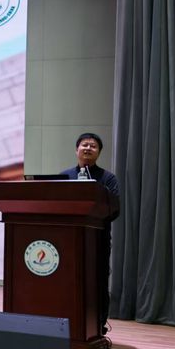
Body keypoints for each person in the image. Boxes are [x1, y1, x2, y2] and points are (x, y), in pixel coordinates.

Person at [61, 133, 119, 336]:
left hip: (97, 240)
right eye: (84, 145)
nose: (88, 148)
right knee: (68, 280)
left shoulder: (108, 178)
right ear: (76, 149)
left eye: (93, 146)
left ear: (99, 152)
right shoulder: (65, 176)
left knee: (98, 282)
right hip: (68, 241)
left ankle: (98, 325)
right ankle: (67, 321)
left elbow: (114, 209)